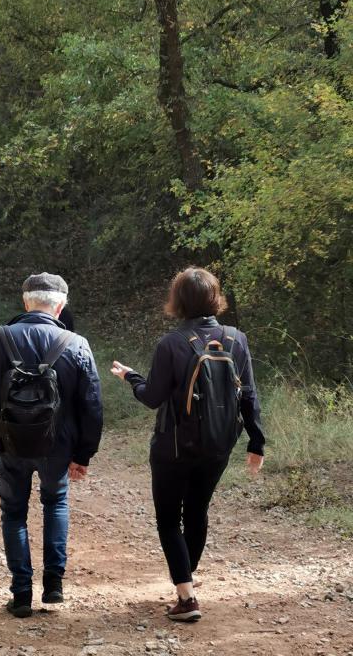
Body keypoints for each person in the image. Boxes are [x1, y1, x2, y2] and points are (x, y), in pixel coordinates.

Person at [110, 266, 265, 623]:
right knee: (197, 512)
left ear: (177, 301)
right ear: (215, 298)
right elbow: (249, 396)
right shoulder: (236, 339)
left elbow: (152, 398)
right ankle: (186, 582)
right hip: (218, 447)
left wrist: (130, 377)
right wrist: (256, 443)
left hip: (173, 448)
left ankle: (187, 596)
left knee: (169, 520)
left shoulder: (172, 344)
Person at [0, 273, 103, 618]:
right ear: (60, 306)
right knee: (55, 502)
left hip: (10, 442)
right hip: (59, 445)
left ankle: (22, 593)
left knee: (13, 512)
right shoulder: (76, 343)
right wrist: (84, 453)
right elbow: (93, 405)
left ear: (25, 302)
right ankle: (54, 583)